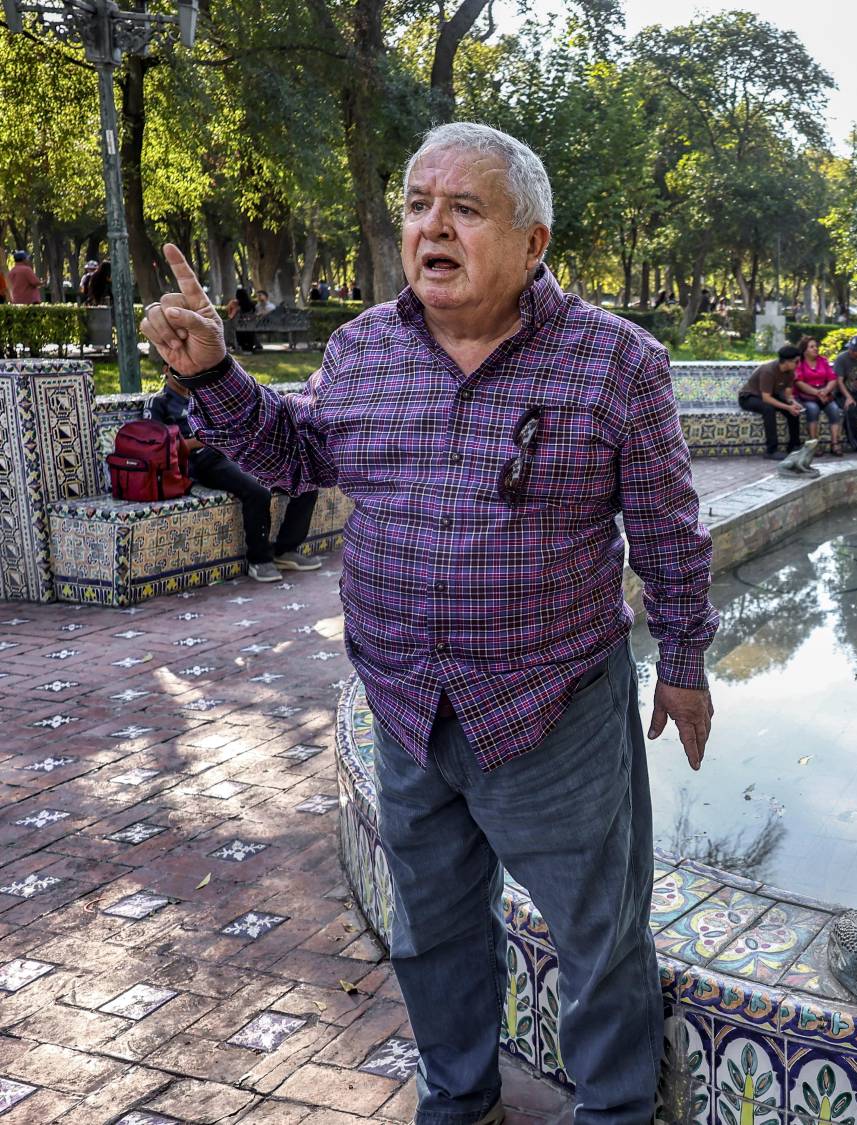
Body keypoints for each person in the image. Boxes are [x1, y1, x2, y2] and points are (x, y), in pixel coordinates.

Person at [140, 121, 717, 1125]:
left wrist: (685, 660)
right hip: (406, 705)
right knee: (435, 930)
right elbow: (292, 459)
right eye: (417, 205)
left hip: (553, 713)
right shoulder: (364, 348)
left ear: (532, 242)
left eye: (465, 208)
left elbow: (667, 528)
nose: (432, 227)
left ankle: (617, 1111)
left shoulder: (616, 363)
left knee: (599, 940)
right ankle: (458, 1096)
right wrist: (215, 377)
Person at [149, 369, 321, 582]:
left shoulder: (204, 397)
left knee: (305, 481)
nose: (185, 375)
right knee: (257, 491)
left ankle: (286, 550)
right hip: (205, 461)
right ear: (166, 370)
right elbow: (158, 448)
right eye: (177, 371)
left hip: (239, 452)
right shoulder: (159, 402)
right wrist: (203, 440)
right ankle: (259, 560)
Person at [738, 344, 804, 459]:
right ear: (787, 362)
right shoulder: (768, 371)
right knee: (768, 408)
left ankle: (794, 445)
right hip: (749, 397)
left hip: (768, 396)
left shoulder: (790, 373)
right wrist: (788, 407)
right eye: (797, 361)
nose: (799, 364)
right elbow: (766, 398)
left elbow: (788, 395)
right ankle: (771, 450)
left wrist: (793, 403)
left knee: (793, 411)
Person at [792, 334, 851, 455]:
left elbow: (833, 378)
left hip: (824, 394)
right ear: (804, 350)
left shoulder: (822, 360)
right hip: (806, 395)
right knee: (813, 409)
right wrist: (816, 393)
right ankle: (814, 445)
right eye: (811, 347)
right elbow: (799, 383)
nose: (815, 349)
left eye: (816, 346)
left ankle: (835, 444)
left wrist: (825, 391)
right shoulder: (800, 364)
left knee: (834, 409)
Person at [225, 287, 260, 353]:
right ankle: (251, 347)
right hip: (251, 326)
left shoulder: (236, 304)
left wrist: (230, 306)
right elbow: (256, 314)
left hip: (239, 326)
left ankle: (230, 345)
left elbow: (231, 316)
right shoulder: (252, 304)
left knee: (227, 325)